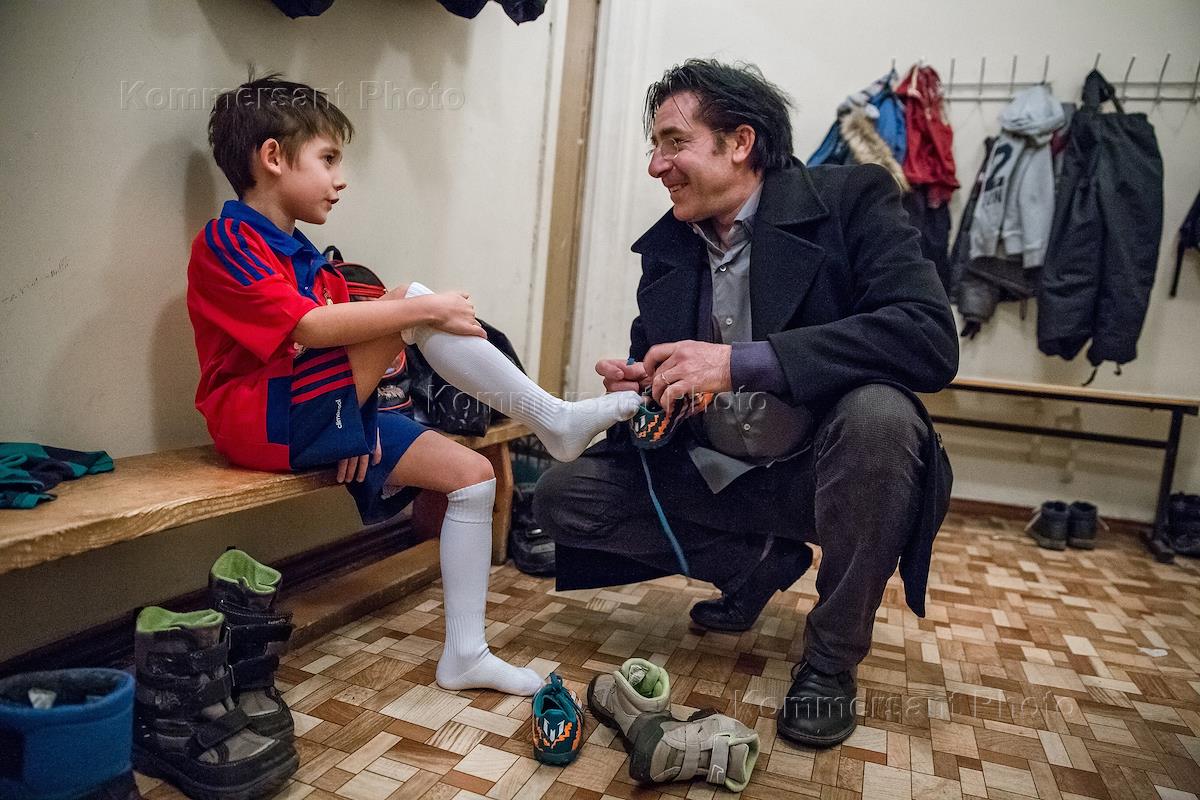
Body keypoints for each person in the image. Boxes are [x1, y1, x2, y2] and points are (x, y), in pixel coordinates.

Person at [534, 59, 958, 746]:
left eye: (673, 143)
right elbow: (669, 368)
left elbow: (927, 336)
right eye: (655, 146)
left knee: (882, 416)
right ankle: (757, 564)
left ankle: (830, 661)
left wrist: (737, 363)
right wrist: (650, 390)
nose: (656, 166)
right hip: (719, 478)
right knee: (562, 495)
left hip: (825, 476)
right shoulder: (668, 248)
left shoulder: (852, 200)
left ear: (740, 142)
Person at [188, 73, 641, 697]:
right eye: (328, 159)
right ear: (272, 157)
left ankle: (466, 655)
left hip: (315, 413)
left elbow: (347, 353)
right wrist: (421, 309)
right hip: (258, 420)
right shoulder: (227, 239)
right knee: (410, 299)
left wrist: (358, 415)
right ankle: (553, 418)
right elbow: (309, 328)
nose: (340, 178)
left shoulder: (308, 257)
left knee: (472, 476)